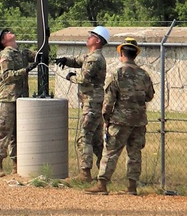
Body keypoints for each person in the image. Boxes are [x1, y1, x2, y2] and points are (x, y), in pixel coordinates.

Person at [96, 37, 155, 195]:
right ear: (135, 54)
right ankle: (131, 186)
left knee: (111, 152)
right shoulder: (144, 74)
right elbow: (149, 96)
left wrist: (106, 119)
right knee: (134, 153)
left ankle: (102, 184)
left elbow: (109, 100)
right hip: (139, 121)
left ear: (122, 53)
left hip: (120, 120)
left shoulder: (117, 73)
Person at [55, 25, 111, 181]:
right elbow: (79, 61)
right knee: (97, 141)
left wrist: (70, 77)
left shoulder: (95, 59)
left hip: (91, 103)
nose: (88, 38)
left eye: (91, 36)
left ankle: (85, 173)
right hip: (94, 102)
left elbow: (83, 78)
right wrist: (65, 60)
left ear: (98, 40)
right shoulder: (91, 56)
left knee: (84, 138)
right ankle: (104, 173)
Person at [0, 27, 36, 176]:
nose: (9, 32)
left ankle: (17, 165)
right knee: (4, 130)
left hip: (21, 98)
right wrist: (26, 70)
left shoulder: (21, 53)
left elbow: (39, 55)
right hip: (7, 98)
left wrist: (46, 40)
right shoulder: (6, 54)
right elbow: (7, 76)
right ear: (4, 41)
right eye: (6, 34)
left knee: (19, 133)